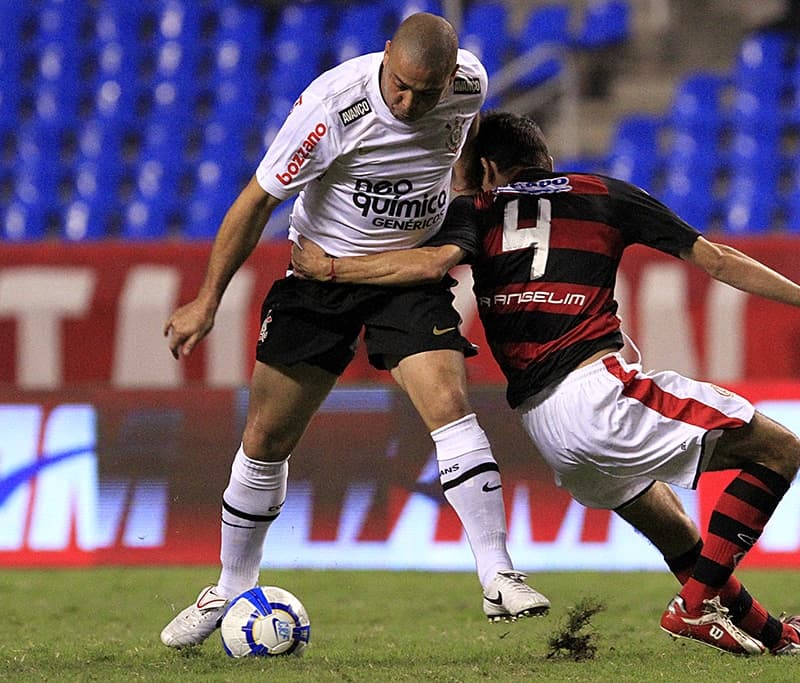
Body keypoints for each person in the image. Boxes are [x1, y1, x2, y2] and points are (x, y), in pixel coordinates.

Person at [288, 111, 800, 656]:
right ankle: (693, 607)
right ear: (544, 162)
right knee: (779, 449)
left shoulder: (474, 208)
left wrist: (328, 265)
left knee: (675, 529)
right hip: (597, 389)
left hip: (546, 426)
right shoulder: (603, 193)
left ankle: (772, 635)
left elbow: (423, 264)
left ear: (490, 167)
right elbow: (716, 260)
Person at [159, 15, 549, 649]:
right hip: (319, 275)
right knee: (266, 435)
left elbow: (466, 131)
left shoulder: (471, 84)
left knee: (449, 404)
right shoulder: (331, 106)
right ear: (385, 54)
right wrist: (206, 301)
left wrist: (465, 185)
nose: (408, 102)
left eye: (426, 93)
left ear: (450, 77)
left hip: (406, 277)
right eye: (400, 86)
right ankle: (230, 586)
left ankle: (498, 573)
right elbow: (255, 201)